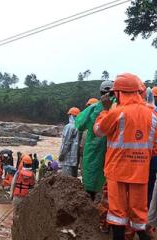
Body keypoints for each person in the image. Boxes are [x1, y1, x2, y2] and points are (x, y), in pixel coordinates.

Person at [94, 73, 156, 240]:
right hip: (140, 170)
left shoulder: (117, 113)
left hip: (117, 170)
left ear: (119, 92)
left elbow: (99, 130)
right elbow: (154, 146)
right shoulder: (152, 114)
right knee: (139, 215)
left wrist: (106, 110)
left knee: (117, 214)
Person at [75, 80, 114, 201]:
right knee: (108, 187)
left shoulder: (93, 109)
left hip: (92, 152)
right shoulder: (120, 107)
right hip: (112, 153)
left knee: (90, 184)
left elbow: (79, 125)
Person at [59, 107, 80, 177]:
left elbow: (66, 142)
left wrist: (62, 154)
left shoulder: (69, 127)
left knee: (66, 181)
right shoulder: (79, 127)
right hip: (75, 160)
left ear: (72, 116)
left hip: (67, 159)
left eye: (69, 115)